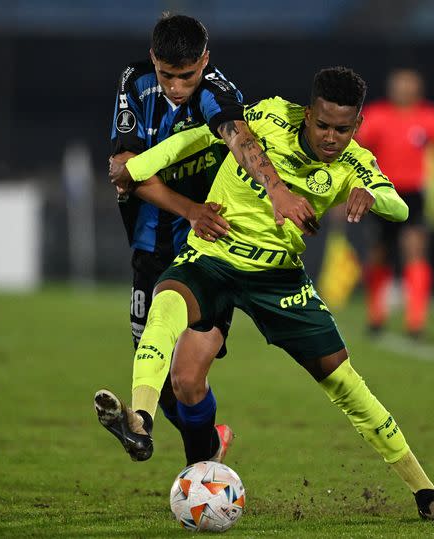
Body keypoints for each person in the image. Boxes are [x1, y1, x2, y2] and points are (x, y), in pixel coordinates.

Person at [103, 67, 434, 523]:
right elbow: (200, 138)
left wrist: (369, 194)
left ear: (356, 126)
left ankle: (428, 496)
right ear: (307, 113)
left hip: (278, 278)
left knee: (345, 383)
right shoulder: (269, 117)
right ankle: (140, 421)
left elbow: (398, 204)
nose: (330, 137)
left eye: (343, 129)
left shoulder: (353, 163)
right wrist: (138, 167)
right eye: (322, 124)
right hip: (215, 256)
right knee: (169, 313)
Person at [98, 13, 316, 466]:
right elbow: (127, 173)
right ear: (154, 60)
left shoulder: (218, 94)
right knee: (154, 368)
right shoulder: (135, 81)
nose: (177, 87)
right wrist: (188, 208)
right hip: (150, 240)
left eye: (188, 76)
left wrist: (275, 189)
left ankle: (155, 435)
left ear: (206, 62)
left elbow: (240, 139)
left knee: (188, 373)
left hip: (210, 246)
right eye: (168, 75)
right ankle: (203, 444)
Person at [355, 69, 434, 337]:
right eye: (398, 84)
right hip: (380, 192)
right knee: (379, 253)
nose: (402, 89)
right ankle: (376, 316)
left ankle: (416, 322)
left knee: (415, 250)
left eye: (408, 85)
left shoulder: (432, 118)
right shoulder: (375, 116)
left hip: (414, 194)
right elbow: (357, 154)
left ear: (418, 88)